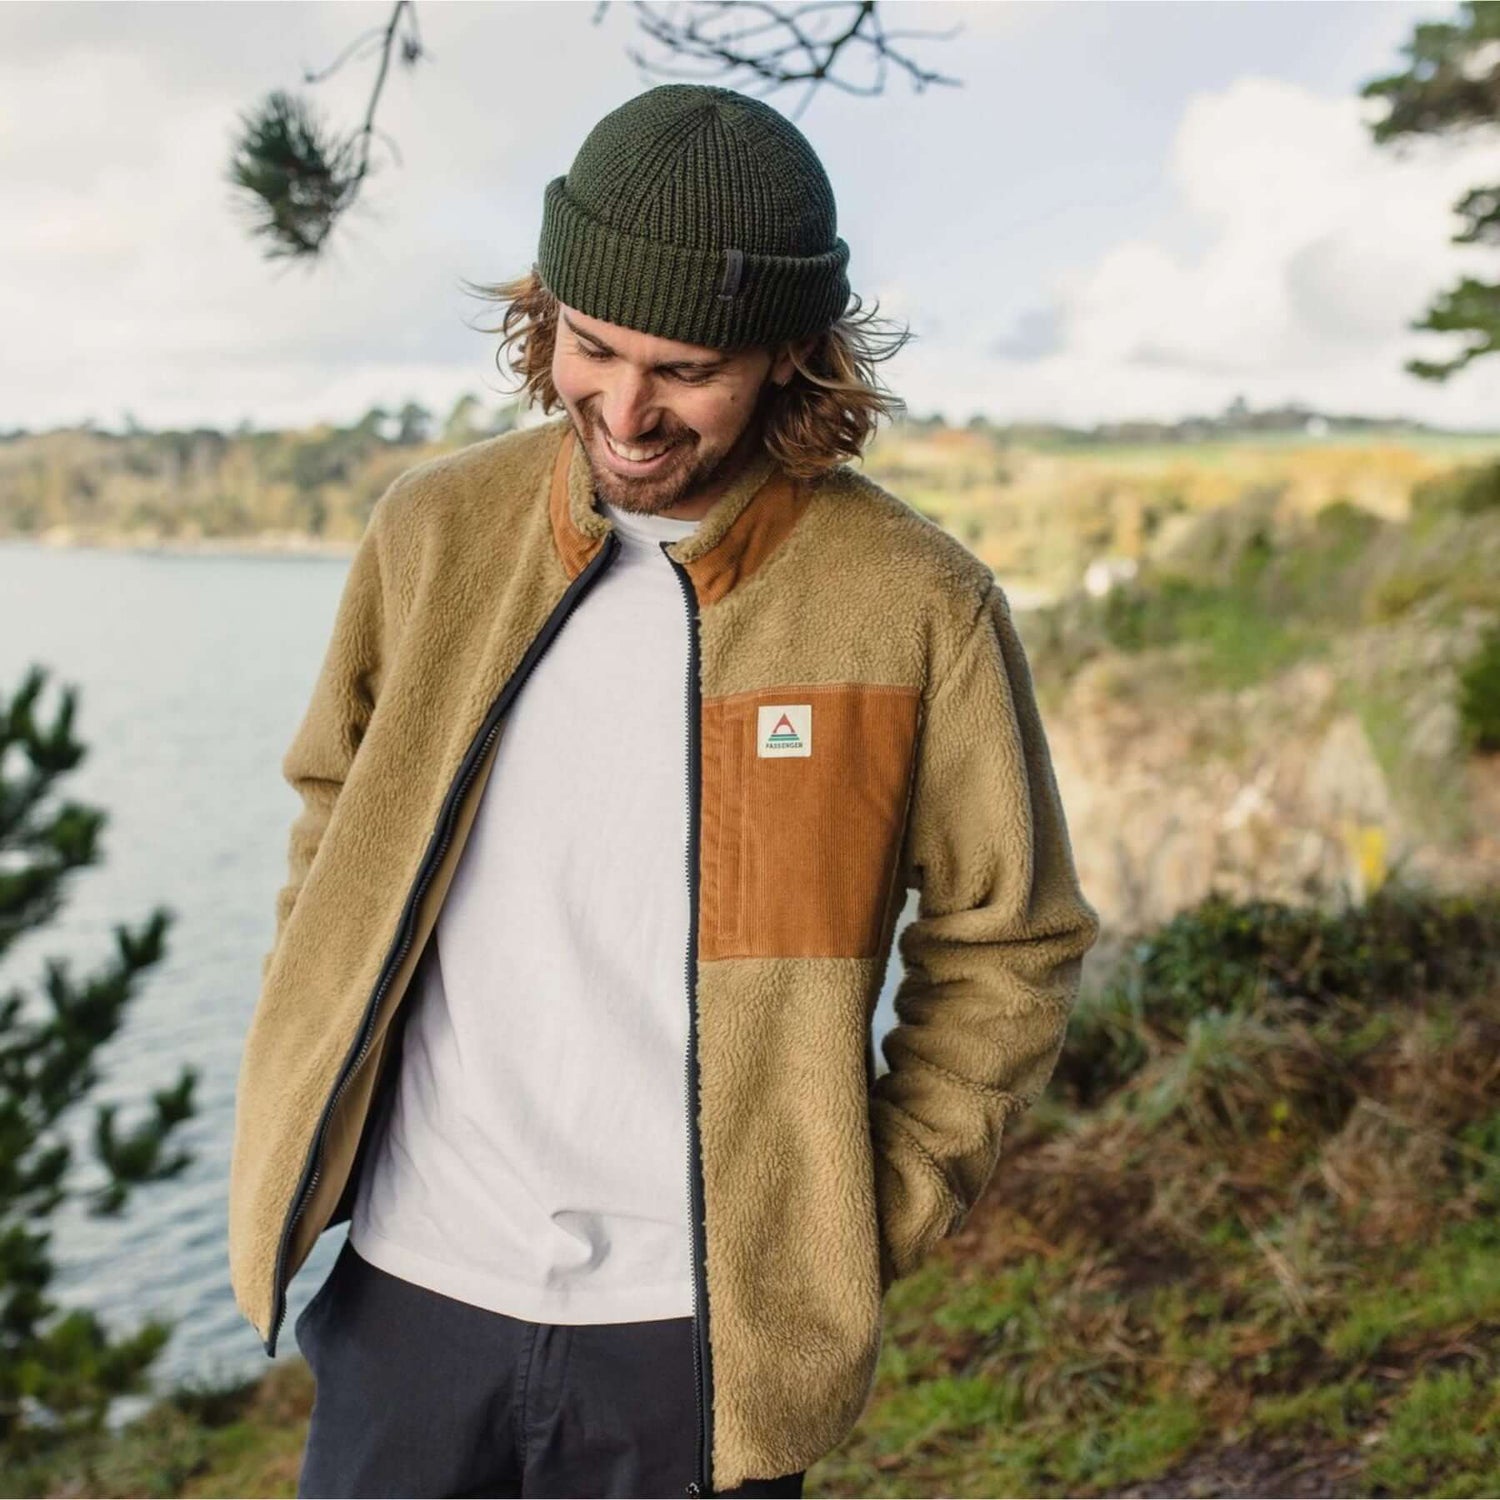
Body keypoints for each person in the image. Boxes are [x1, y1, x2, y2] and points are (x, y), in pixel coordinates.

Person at [228, 81, 1101, 1499]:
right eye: (592, 345)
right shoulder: (434, 533)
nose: (624, 409)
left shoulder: (914, 605)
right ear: (547, 313)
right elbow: (335, 818)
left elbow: (1013, 936)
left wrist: (868, 1210)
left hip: (698, 1336)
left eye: (685, 369)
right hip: (410, 1292)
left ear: (791, 357)